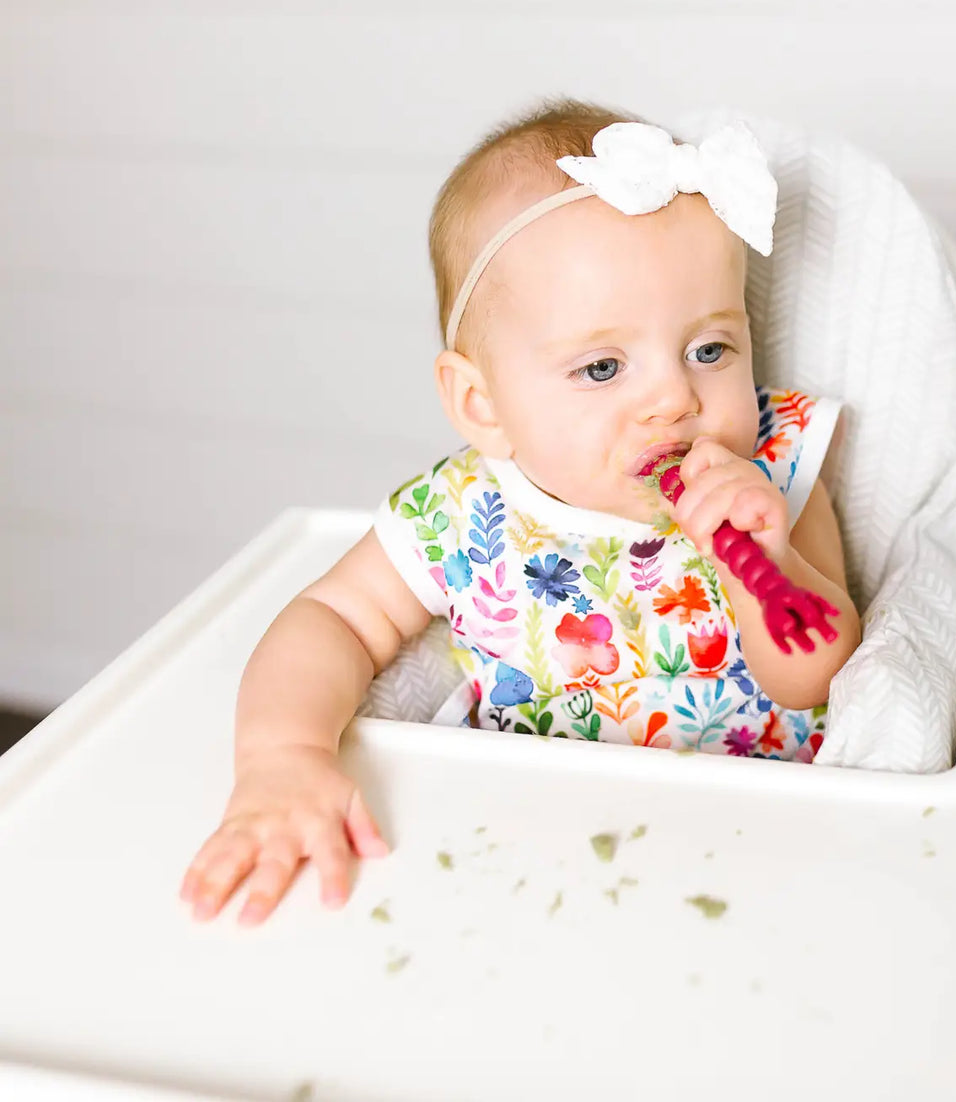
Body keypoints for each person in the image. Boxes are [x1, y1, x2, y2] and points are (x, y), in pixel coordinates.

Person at [180, 99, 861, 927]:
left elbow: (814, 676)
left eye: (709, 349)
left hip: (765, 852)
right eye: (604, 367)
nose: (676, 399)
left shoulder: (775, 473)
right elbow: (334, 619)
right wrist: (282, 755)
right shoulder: (464, 513)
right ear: (482, 403)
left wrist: (765, 561)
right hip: (524, 858)